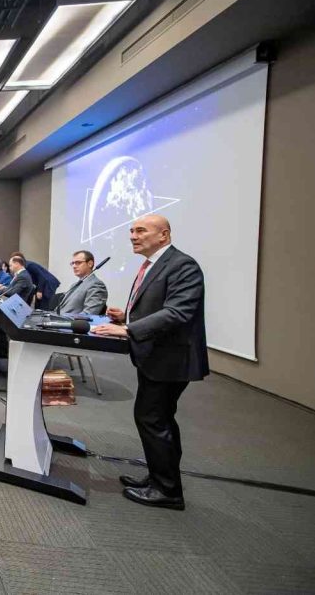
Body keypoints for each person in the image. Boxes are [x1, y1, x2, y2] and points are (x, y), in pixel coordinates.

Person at [91, 215, 208, 510]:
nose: (133, 236)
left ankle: (168, 490)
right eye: (131, 231)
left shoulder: (183, 265)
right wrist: (126, 317)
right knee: (158, 418)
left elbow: (177, 312)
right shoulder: (153, 265)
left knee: (153, 419)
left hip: (171, 359)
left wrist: (129, 329)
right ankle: (159, 477)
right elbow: (156, 307)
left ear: (163, 235)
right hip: (155, 356)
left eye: (140, 230)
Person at [56, 250, 108, 315]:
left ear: (90, 264)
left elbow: (88, 314)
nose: (74, 266)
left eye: (78, 263)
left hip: (71, 321)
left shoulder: (97, 285)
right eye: (72, 263)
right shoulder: (74, 285)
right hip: (58, 319)